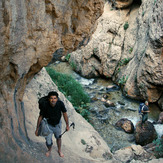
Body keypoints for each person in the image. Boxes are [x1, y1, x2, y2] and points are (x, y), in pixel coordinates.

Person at [35, 91, 69, 157]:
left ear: (57, 99)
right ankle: (49, 150)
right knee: (48, 141)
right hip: (48, 125)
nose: (53, 100)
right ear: (48, 99)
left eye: (55, 98)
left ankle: (59, 150)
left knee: (58, 138)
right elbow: (40, 117)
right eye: (51, 98)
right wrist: (37, 129)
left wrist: (67, 125)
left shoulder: (60, 104)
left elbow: (64, 114)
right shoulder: (45, 105)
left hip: (57, 125)